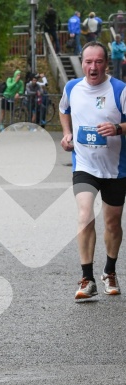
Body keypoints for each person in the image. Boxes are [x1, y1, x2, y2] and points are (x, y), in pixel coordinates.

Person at [59, 41, 126, 301]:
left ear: (106, 63)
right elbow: (64, 110)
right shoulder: (72, 87)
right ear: (82, 62)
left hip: (115, 168)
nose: (93, 66)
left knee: (112, 222)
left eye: (98, 61)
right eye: (88, 61)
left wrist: (118, 128)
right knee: (85, 214)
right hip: (84, 165)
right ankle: (87, 278)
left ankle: (109, 271)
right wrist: (67, 134)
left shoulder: (119, 90)